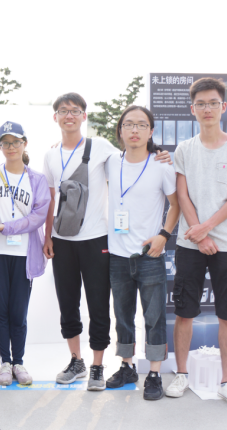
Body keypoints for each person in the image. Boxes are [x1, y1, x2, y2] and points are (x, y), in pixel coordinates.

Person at [42, 93, 169, 390]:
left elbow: (134, 154)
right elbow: (50, 198)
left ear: (84, 116)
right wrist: (47, 235)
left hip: (97, 239)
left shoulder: (101, 148)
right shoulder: (50, 155)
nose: (69, 115)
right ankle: (76, 360)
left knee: (99, 304)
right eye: (63, 111)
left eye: (75, 110)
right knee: (68, 304)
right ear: (55, 116)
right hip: (62, 240)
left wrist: (159, 153)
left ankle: (98, 365)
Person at [167, 78, 227, 408]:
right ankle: (182, 374)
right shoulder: (184, 149)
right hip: (190, 244)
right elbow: (182, 195)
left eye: (213, 103)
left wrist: (208, 228)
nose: (207, 109)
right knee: (185, 311)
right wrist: (199, 233)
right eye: (201, 104)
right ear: (193, 109)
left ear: (223, 107)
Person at [103, 106, 180, 400]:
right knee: (122, 315)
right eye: (128, 124)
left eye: (141, 125)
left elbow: (175, 205)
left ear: (151, 131)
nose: (134, 130)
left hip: (150, 254)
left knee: (154, 317)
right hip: (117, 255)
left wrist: (163, 235)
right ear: (120, 130)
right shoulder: (111, 161)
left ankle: (155, 374)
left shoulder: (162, 165)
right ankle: (127, 366)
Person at [0, 121, 49, 386]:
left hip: (24, 254)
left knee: (18, 312)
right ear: (0, 146)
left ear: (24, 144)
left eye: (16, 142)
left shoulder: (37, 179)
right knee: (0, 311)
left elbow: (38, 217)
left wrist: (6, 227)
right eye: (6, 143)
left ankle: (19, 362)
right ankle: (5, 363)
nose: (11, 147)